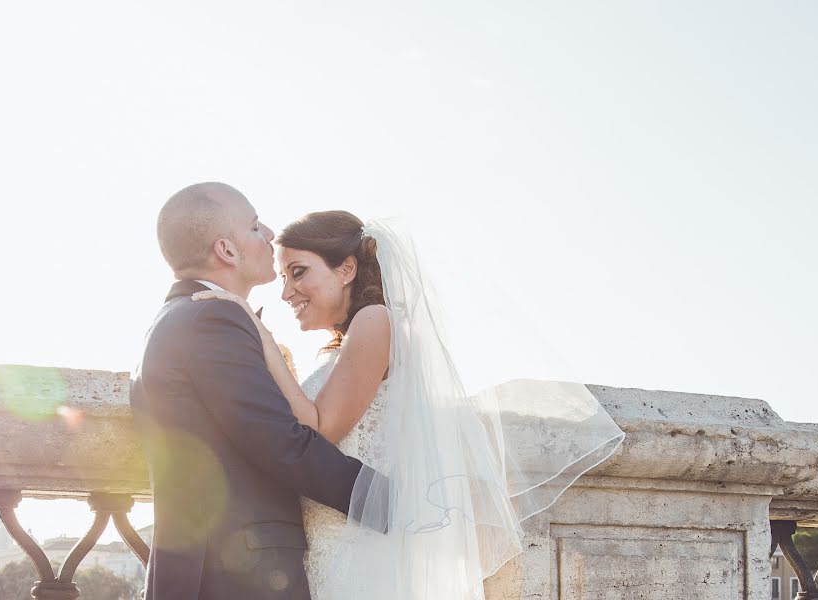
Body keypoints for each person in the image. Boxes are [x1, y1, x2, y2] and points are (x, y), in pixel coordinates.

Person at [193, 210, 625, 599]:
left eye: (298, 272)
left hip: (356, 550)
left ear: (346, 269)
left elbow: (318, 429)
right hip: (332, 540)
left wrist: (259, 334)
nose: (287, 291)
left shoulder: (375, 320)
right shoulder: (352, 339)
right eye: (284, 277)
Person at [130, 183, 383, 600]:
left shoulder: (179, 318)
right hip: (238, 574)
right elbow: (282, 443)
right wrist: (394, 502)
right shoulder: (211, 318)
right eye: (254, 226)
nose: (268, 233)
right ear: (227, 251)